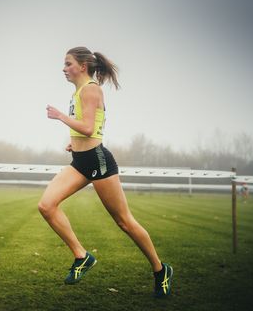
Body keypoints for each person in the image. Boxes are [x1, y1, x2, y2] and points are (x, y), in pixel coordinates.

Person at [38, 46, 173, 298]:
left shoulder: (90, 89)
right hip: (80, 160)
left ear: (82, 66)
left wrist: (59, 117)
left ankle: (160, 269)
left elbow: (89, 128)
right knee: (46, 205)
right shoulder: (79, 90)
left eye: (68, 64)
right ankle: (82, 256)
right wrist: (74, 142)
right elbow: (92, 126)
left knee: (124, 221)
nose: (64, 68)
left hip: (98, 162)